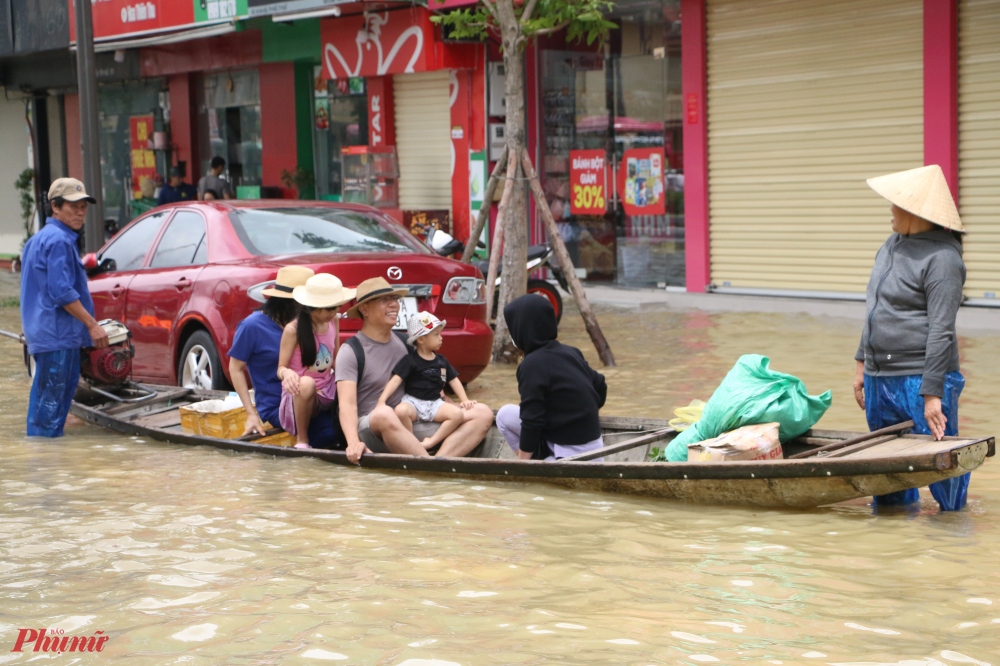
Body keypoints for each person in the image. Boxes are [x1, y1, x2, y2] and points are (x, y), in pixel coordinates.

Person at [853, 164, 969, 511]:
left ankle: (952, 535)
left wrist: (932, 393)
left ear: (916, 212)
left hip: (921, 380)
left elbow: (942, 329)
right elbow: (876, 307)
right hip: (879, 377)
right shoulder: (890, 245)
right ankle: (895, 542)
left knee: (940, 468)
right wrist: (861, 364)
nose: (890, 209)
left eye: (895, 204)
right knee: (888, 469)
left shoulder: (944, 259)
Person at [335, 277, 494, 464]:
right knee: (385, 413)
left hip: (410, 420)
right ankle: (427, 464)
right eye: (385, 300)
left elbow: (429, 374)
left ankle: (439, 463)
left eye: (395, 299)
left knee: (482, 412)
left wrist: (446, 400)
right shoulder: (351, 351)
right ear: (364, 309)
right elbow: (347, 405)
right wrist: (353, 442)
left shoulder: (406, 342)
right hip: (373, 427)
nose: (394, 304)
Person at [20, 178, 110, 437]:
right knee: (50, 414)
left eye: (83, 206)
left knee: (46, 409)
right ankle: (44, 472)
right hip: (57, 337)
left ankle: (45, 468)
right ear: (55, 207)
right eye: (73, 206)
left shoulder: (36, 240)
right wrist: (92, 325)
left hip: (45, 335)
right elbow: (60, 291)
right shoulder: (59, 240)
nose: (80, 212)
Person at [496, 294, 607, 461]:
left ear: (521, 330)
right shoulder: (572, 352)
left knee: (503, 416)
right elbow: (601, 385)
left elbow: (532, 421)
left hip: (569, 457)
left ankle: (532, 460)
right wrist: (584, 416)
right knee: (505, 414)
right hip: (596, 448)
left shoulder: (530, 365)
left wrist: (521, 466)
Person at [229, 266, 314, 438]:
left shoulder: (305, 322)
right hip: (276, 406)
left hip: (310, 397)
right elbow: (235, 367)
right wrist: (250, 414)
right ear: (290, 302)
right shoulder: (252, 326)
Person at [376, 312, 477, 450]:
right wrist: (382, 400)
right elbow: (395, 381)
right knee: (400, 411)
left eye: (440, 334)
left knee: (457, 414)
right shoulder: (410, 360)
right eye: (436, 335)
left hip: (435, 404)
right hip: (413, 402)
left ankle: (432, 441)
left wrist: (464, 400)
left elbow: (454, 381)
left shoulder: (442, 361)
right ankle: (410, 440)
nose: (441, 338)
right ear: (421, 340)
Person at [277, 274, 355, 449]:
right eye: (329, 309)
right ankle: (302, 440)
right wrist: (286, 373)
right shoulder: (293, 330)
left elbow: (335, 359)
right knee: (306, 383)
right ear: (312, 307)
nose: (334, 313)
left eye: (337, 308)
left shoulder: (333, 320)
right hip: (303, 396)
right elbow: (280, 367)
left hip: (328, 389)